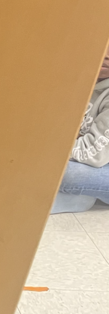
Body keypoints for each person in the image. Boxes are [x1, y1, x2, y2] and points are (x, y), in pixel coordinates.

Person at [53, 54, 109, 213]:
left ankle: (81, 193)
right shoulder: (82, 77)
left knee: (65, 172)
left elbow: (93, 154)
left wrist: (44, 148)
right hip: (98, 156)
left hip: (101, 162)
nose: (106, 56)